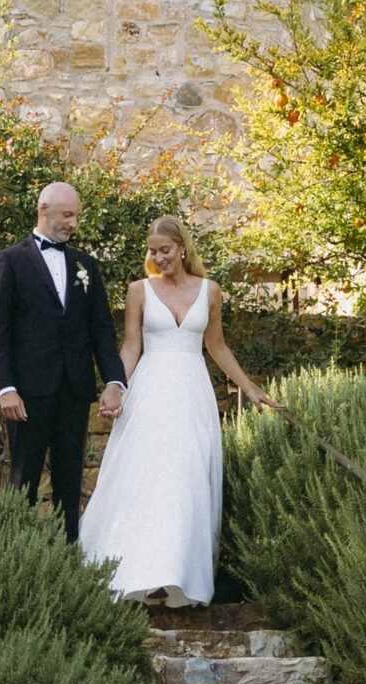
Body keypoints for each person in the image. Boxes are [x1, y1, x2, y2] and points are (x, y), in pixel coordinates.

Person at [78, 213, 272, 606]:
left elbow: (216, 347)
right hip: (149, 393)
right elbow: (131, 347)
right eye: (152, 251)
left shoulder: (210, 291)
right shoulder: (139, 290)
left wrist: (249, 389)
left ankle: (177, 575)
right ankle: (140, 573)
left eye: (164, 250)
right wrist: (114, 388)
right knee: (146, 478)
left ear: (182, 248)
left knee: (187, 481)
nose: (158, 257)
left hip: (192, 395)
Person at [0, 181, 126, 544]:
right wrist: (5, 389)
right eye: (67, 215)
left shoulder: (86, 266)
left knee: (70, 482)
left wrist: (114, 381)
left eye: (77, 216)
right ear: (44, 209)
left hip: (74, 391)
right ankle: (20, 560)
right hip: (27, 395)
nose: (73, 223)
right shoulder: (10, 260)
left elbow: (101, 330)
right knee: (23, 481)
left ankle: (69, 563)